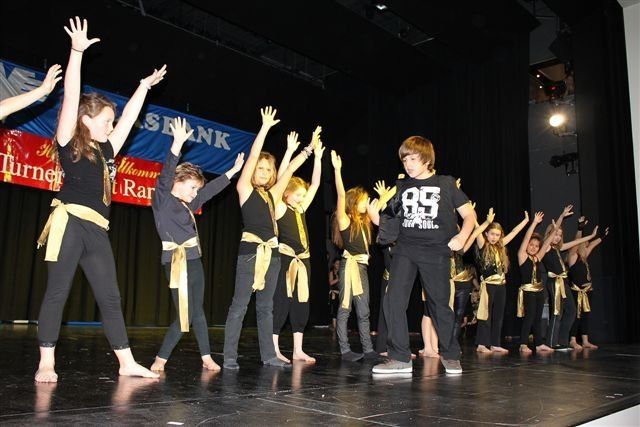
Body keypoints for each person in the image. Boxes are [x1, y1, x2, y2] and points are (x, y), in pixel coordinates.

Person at [35, 17, 165, 382]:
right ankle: (46, 362)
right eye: (106, 120)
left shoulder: (108, 149)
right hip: (69, 223)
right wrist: (77, 53)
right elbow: (71, 96)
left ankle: (126, 363)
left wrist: (142, 87)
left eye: (111, 121)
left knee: (110, 296)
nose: (111, 125)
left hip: (97, 230)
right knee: (57, 292)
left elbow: (130, 119)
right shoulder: (68, 142)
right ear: (87, 121)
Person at [372, 136, 476, 374]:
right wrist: (375, 217)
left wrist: (462, 237)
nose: (408, 164)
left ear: (427, 159)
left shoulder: (446, 183)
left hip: (436, 250)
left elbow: (469, 216)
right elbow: (390, 220)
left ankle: (451, 354)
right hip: (405, 250)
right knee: (393, 300)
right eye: (404, 160)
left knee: (439, 304)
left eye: (413, 159)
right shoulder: (402, 187)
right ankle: (400, 357)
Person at [149, 117, 244, 372]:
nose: (194, 193)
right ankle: (160, 358)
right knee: (185, 315)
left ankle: (206, 357)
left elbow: (209, 191)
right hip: (175, 263)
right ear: (177, 183)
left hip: (194, 261)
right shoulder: (163, 200)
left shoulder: (188, 204)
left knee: (198, 312)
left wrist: (232, 172)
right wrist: (176, 145)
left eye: (195, 190)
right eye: (191, 188)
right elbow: (165, 176)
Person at [222, 107, 314, 369]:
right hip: (251, 251)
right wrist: (264, 128)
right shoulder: (244, 189)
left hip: (273, 253)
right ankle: (229, 355)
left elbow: (290, 169)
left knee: (266, 307)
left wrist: (307, 150)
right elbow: (253, 156)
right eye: (260, 168)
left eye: (267, 169)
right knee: (240, 304)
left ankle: (269, 355)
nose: (263, 172)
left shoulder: (273, 195)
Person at [272, 129, 324, 364]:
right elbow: (283, 176)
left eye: (303, 196)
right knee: (282, 301)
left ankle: (298, 350)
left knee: (301, 303)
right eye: (298, 195)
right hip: (285, 258)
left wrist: (318, 158)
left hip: (304, 260)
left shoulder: (300, 209)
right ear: (287, 194)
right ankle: (274, 348)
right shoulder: (280, 207)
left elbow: (316, 184)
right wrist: (291, 152)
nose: (303, 198)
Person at [331, 150, 378, 362]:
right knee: (345, 308)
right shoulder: (345, 220)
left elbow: (380, 204)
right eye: (364, 200)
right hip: (349, 266)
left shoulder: (364, 221)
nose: (367, 203)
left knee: (364, 310)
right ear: (354, 202)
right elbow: (341, 196)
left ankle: (368, 350)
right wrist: (337, 170)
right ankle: (345, 350)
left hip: (362, 268)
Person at [567, 217, 609, 350]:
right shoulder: (573, 257)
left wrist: (602, 236)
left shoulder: (584, 256)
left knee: (585, 315)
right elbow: (576, 241)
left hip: (588, 291)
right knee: (576, 315)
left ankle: (585, 340)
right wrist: (580, 228)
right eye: (585, 243)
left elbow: (593, 244)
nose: (587, 245)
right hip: (577, 291)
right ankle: (572, 340)